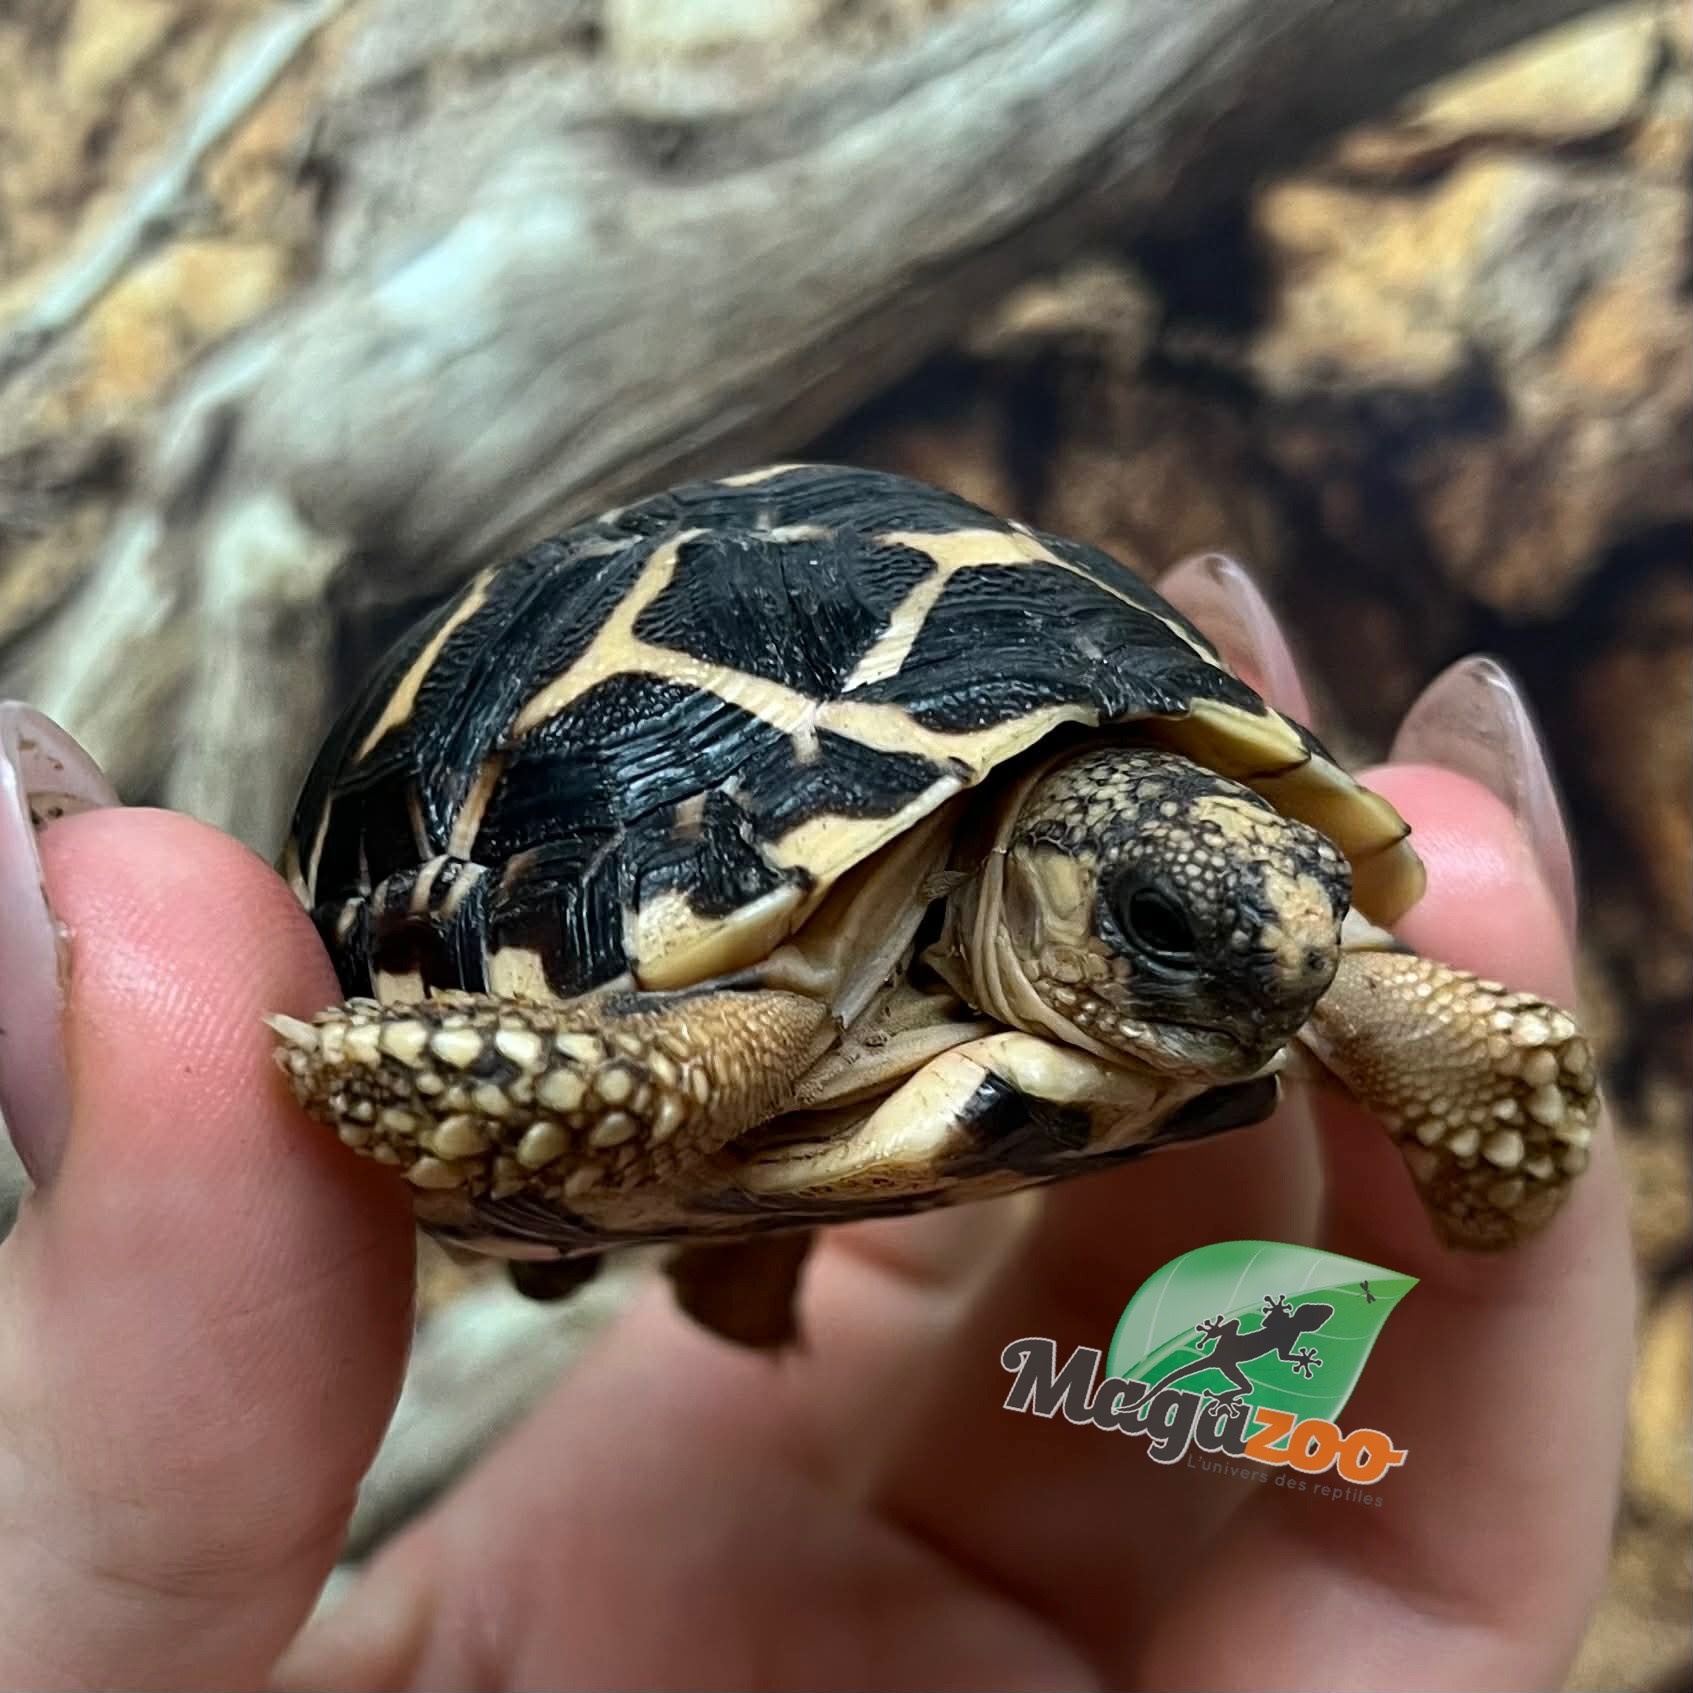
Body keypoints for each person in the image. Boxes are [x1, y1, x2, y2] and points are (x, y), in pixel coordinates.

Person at [0, 560, 1631, 1691]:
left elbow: (1357, 992)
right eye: (1146, 935)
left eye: (1305, 919)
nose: (1259, 999)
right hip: (693, 1013)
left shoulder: (1245, 936)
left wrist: (1487, 1108)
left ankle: (742, 1252)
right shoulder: (751, 1011)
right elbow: (421, 1066)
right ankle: (721, 1245)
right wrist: (498, 1092)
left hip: (812, 1104)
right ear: (1034, 890)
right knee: (650, 1089)